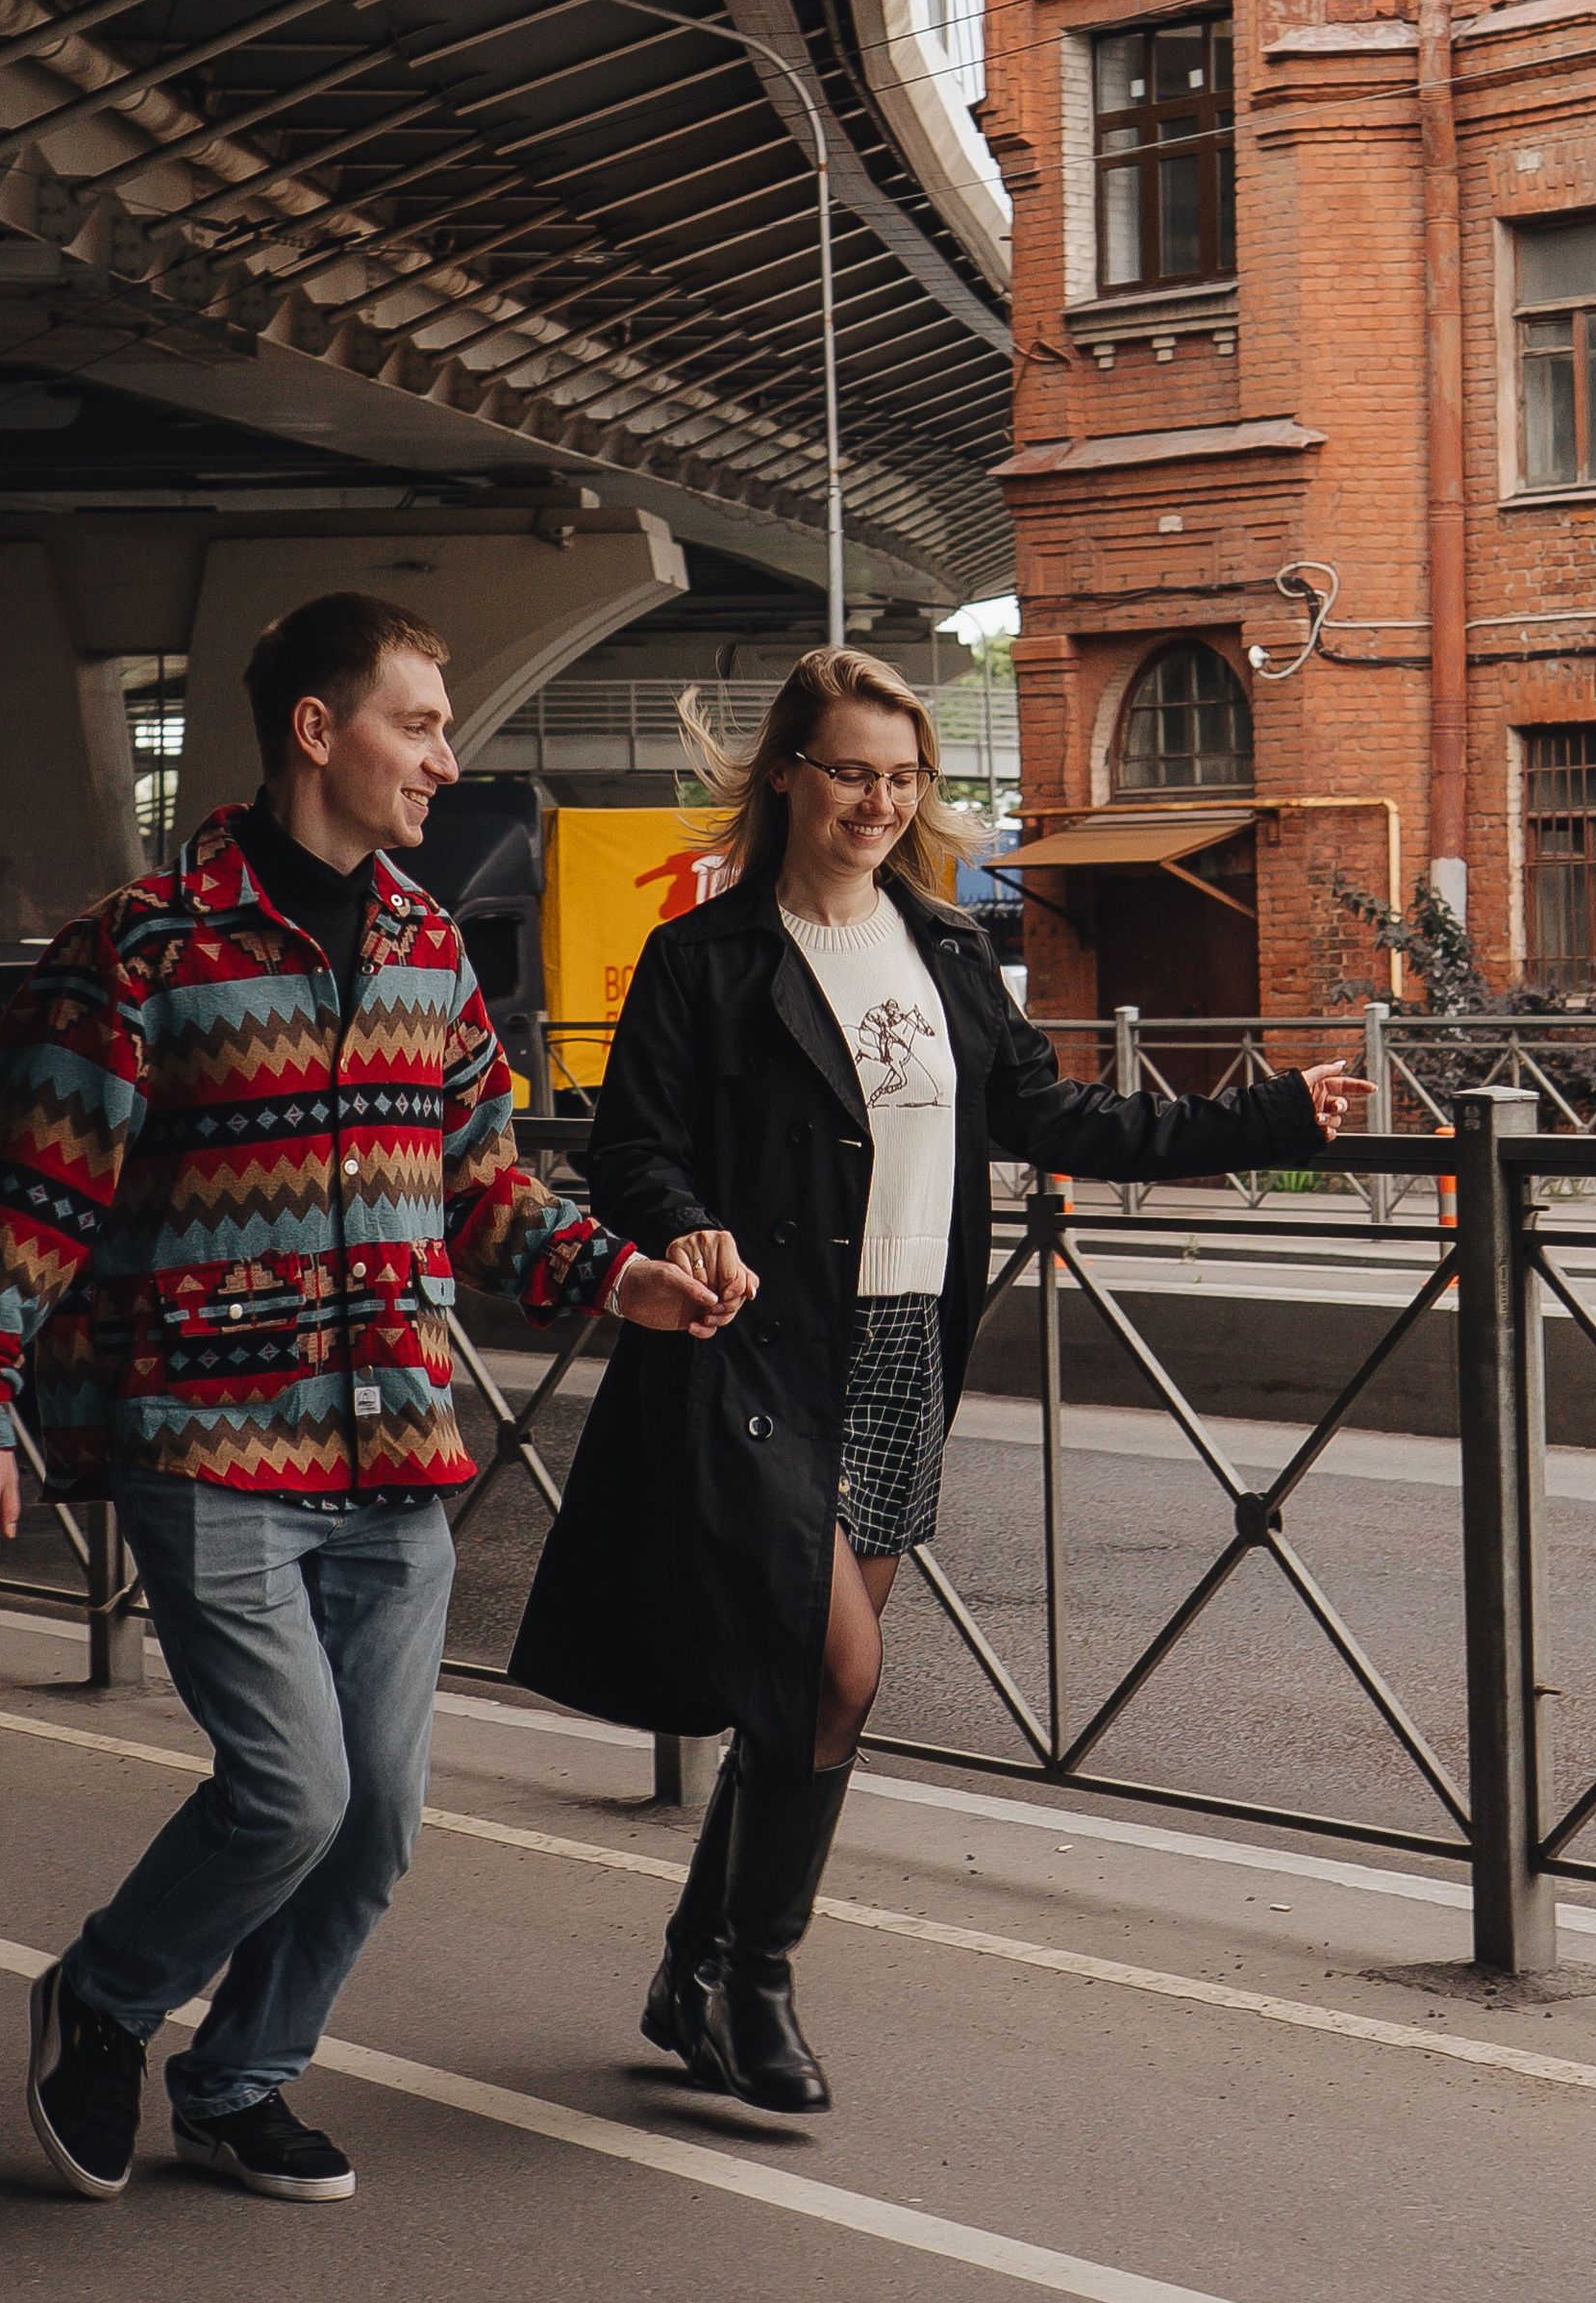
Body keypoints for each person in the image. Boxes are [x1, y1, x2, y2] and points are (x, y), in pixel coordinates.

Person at [0, 592, 720, 2207]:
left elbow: (483, 1187)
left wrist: (618, 1275)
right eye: (418, 724)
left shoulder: (429, 947)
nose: (445, 758)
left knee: (377, 1821)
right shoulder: (143, 949)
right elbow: (30, 1194)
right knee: (292, 1791)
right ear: (316, 731)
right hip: (210, 1439)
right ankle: (105, 1999)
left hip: (396, 1448)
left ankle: (237, 2083)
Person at [510, 646, 1364, 2115]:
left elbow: (1053, 1115)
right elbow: (630, 1147)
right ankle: (757, 1984)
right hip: (761, 1348)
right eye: (851, 772)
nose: (880, 802)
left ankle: (690, 1973)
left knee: (803, 1689)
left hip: (908, 1342)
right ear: (787, 775)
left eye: (903, 778)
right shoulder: (706, 959)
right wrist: (683, 1222)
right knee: (838, 1670)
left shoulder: (949, 948)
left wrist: (1264, 1117)